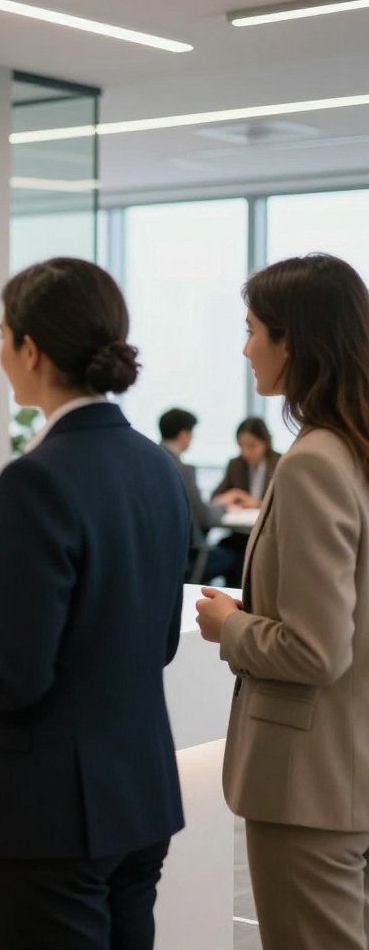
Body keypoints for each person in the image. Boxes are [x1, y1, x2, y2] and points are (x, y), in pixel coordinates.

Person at [0, 257, 191, 950]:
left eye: (2, 335)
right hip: (141, 795)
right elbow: (152, 639)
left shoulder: (35, 478)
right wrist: (5, 639)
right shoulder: (158, 465)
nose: (0, 352)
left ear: (30, 349)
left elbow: (19, 678)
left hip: (54, 811)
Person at [196, 253, 369, 950]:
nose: (246, 349)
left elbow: (316, 650)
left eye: (252, 330)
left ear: (291, 340)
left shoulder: (315, 462)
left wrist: (230, 625)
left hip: (308, 784)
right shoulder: (352, 451)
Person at [158, 407, 234, 583]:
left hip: (163, 554)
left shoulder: (151, 460)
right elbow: (205, 517)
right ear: (184, 434)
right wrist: (224, 507)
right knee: (238, 557)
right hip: (189, 557)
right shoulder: (181, 469)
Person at [208, 417, 280, 586]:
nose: (246, 452)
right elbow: (215, 498)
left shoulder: (280, 462)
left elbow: (286, 504)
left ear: (265, 442)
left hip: (268, 534)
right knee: (230, 551)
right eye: (241, 446)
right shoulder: (236, 464)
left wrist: (258, 503)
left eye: (252, 446)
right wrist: (231, 496)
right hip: (240, 534)